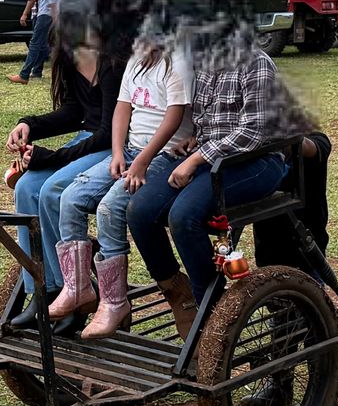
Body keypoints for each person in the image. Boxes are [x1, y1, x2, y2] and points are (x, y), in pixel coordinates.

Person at [124, 20, 318, 334]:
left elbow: (253, 133)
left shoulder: (256, 63)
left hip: (258, 161)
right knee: (140, 210)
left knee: (184, 215)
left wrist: (197, 158)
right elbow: (207, 120)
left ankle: (211, 308)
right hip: (215, 157)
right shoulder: (206, 66)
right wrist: (196, 141)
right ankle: (179, 294)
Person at [59, 12, 190, 334]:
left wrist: (141, 161)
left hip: (164, 153)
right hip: (131, 150)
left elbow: (174, 117)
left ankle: (115, 302)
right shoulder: (137, 59)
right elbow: (122, 107)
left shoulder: (177, 61)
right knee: (71, 198)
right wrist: (118, 152)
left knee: (110, 207)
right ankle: (78, 287)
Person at [2, 11, 125, 323]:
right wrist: (28, 124)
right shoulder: (71, 62)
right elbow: (73, 113)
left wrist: (53, 158)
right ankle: (45, 290)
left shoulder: (113, 65)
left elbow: (107, 132)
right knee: (27, 187)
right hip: (89, 139)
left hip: (112, 145)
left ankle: (75, 287)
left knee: (54, 189)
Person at [13, 0, 60, 85]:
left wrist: (53, 14)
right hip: (50, 12)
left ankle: (24, 75)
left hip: (46, 13)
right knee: (46, 45)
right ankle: (38, 71)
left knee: (35, 43)